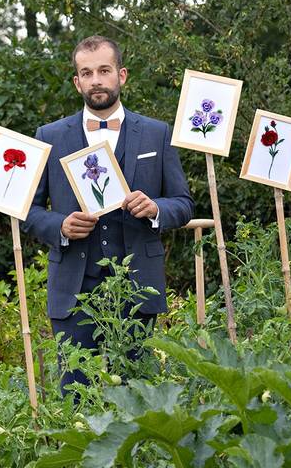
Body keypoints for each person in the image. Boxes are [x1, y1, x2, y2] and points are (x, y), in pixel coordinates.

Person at [21, 35, 193, 393]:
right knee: (74, 395)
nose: (96, 80)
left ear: (122, 75)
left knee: (137, 394)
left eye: (104, 70)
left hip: (137, 286)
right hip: (73, 286)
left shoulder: (156, 134)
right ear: (77, 81)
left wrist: (156, 208)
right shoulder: (49, 136)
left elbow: (183, 203)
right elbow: (29, 211)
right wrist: (62, 226)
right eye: (87, 73)